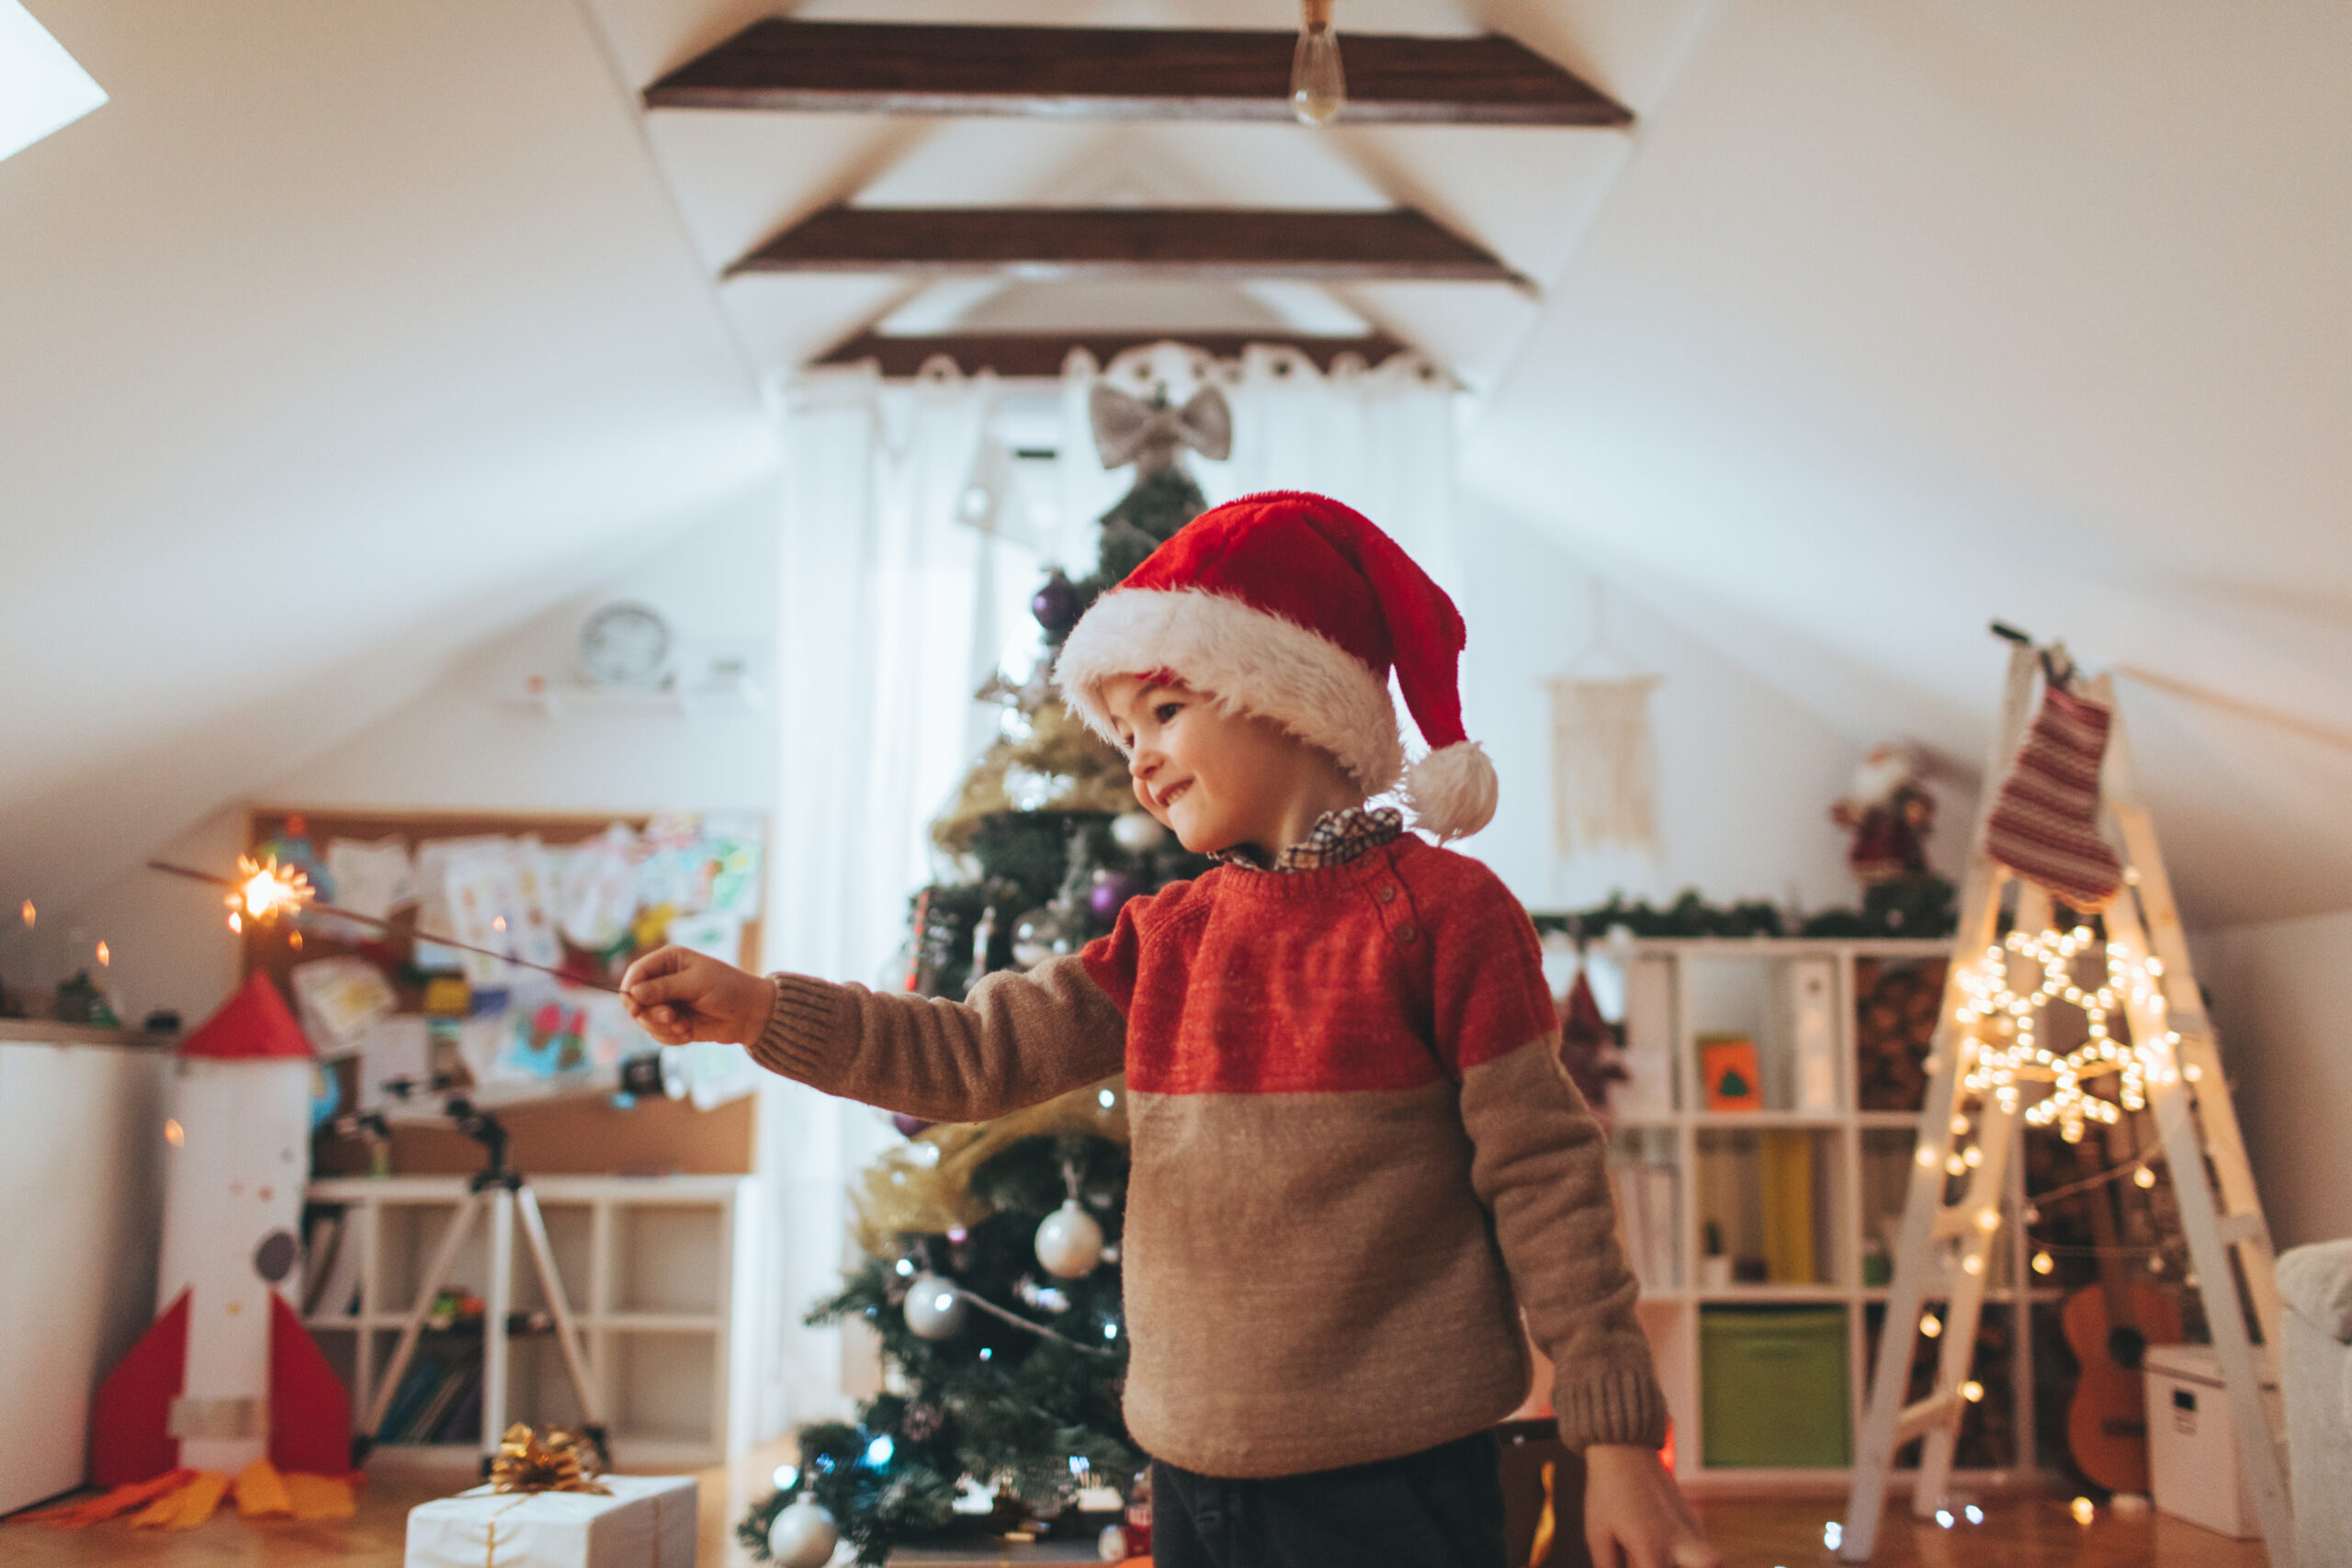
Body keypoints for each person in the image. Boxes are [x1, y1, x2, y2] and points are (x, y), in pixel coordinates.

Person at [624, 491, 1719, 1568]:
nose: (1136, 760)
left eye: (1164, 712)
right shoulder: (1166, 938)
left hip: (1395, 1482)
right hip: (1191, 1469)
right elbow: (972, 1054)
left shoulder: (1445, 916)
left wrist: (1614, 1436)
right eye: (1124, 730)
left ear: (1286, 696)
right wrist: (765, 1010)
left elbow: (1546, 1177)